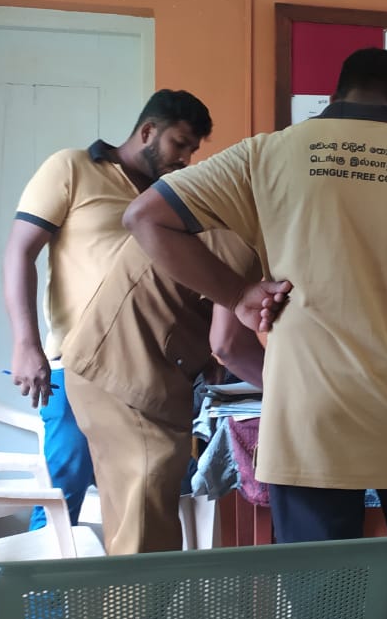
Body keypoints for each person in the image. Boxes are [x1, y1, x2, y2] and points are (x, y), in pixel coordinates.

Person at [122, 48, 387, 619]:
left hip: (309, 422)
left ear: (336, 94)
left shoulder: (269, 154)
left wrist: (238, 294)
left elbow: (145, 217)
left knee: (326, 606)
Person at [3, 89, 213, 528]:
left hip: (154, 372)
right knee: (62, 497)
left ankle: (137, 580)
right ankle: (41, 578)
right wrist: (25, 344)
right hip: (78, 366)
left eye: (192, 150)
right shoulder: (73, 167)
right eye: (179, 144)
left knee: (154, 498)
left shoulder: (172, 198)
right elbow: (20, 251)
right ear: (148, 131)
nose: (185, 159)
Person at [62, 230, 270, 555]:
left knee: (128, 535)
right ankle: (144, 593)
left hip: (99, 369)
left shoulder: (204, 219)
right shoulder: (241, 236)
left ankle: (135, 590)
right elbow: (228, 346)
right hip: (130, 382)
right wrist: (293, 392)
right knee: (145, 544)